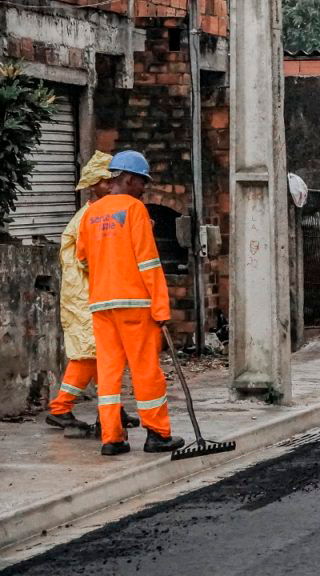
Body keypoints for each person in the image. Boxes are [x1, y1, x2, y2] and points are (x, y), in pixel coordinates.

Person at [77, 150, 184, 456]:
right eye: (142, 182)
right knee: (145, 370)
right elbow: (149, 264)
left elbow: (83, 260)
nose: (144, 189)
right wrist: (161, 308)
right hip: (135, 304)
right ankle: (157, 434)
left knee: (109, 373)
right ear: (128, 178)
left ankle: (112, 438)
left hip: (101, 305)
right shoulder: (135, 210)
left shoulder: (91, 213)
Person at [46, 152, 140, 433]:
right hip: (87, 294)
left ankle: (111, 410)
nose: (113, 186)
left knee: (103, 354)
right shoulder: (93, 214)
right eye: (106, 181)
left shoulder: (95, 213)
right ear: (96, 185)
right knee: (91, 353)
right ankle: (61, 407)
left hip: (91, 291)